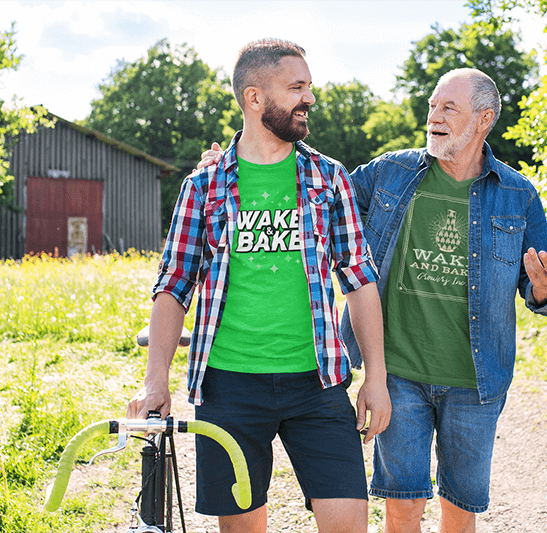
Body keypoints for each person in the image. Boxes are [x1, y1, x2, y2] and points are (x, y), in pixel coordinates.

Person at [197, 67, 547, 533]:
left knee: (461, 508)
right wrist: (229, 166)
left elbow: (540, 290)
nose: (434, 117)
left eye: (448, 108)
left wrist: (546, 288)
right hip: (399, 374)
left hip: (476, 379)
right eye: (432, 106)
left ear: (483, 120)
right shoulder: (389, 174)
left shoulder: (518, 196)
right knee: (402, 505)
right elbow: (308, 187)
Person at [127, 38, 391, 533]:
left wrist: (375, 377)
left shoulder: (328, 178)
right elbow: (174, 285)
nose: (308, 98)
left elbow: (359, 279)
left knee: (349, 524)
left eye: (309, 87)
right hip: (229, 387)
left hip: (319, 383)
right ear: (254, 97)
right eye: (296, 87)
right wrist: (155, 378)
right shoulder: (204, 187)